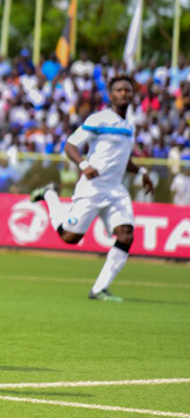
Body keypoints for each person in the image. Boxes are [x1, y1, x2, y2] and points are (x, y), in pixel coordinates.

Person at [30, 75, 153, 302]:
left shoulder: (129, 125)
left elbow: (122, 159)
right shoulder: (99, 119)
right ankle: (49, 194)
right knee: (69, 237)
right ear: (110, 94)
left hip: (115, 189)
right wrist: (84, 164)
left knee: (126, 235)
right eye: (119, 90)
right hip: (93, 188)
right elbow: (70, 145)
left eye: (127, 90)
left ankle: (99, 289)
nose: (124, 93)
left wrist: (143, 173)